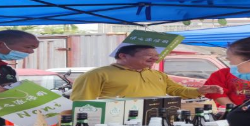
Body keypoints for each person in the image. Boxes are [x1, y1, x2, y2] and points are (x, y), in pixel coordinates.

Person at [70, 45, 222, 101]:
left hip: (155, 123)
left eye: (156, 55)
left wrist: (199, 91)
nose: (155, 58)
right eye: (149, 55)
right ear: (123, 56)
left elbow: (176, 90)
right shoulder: (97, 75)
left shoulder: (157, 74)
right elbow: (82, 103)